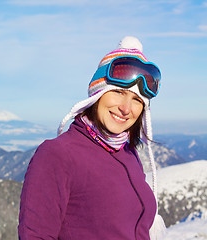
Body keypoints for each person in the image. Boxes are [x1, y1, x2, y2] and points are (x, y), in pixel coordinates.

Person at [18, 36, 166, 240]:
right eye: (118, 92)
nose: (126, 108)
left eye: (136, 100)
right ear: (97, 95)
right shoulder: (57, 154)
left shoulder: (128, 152)